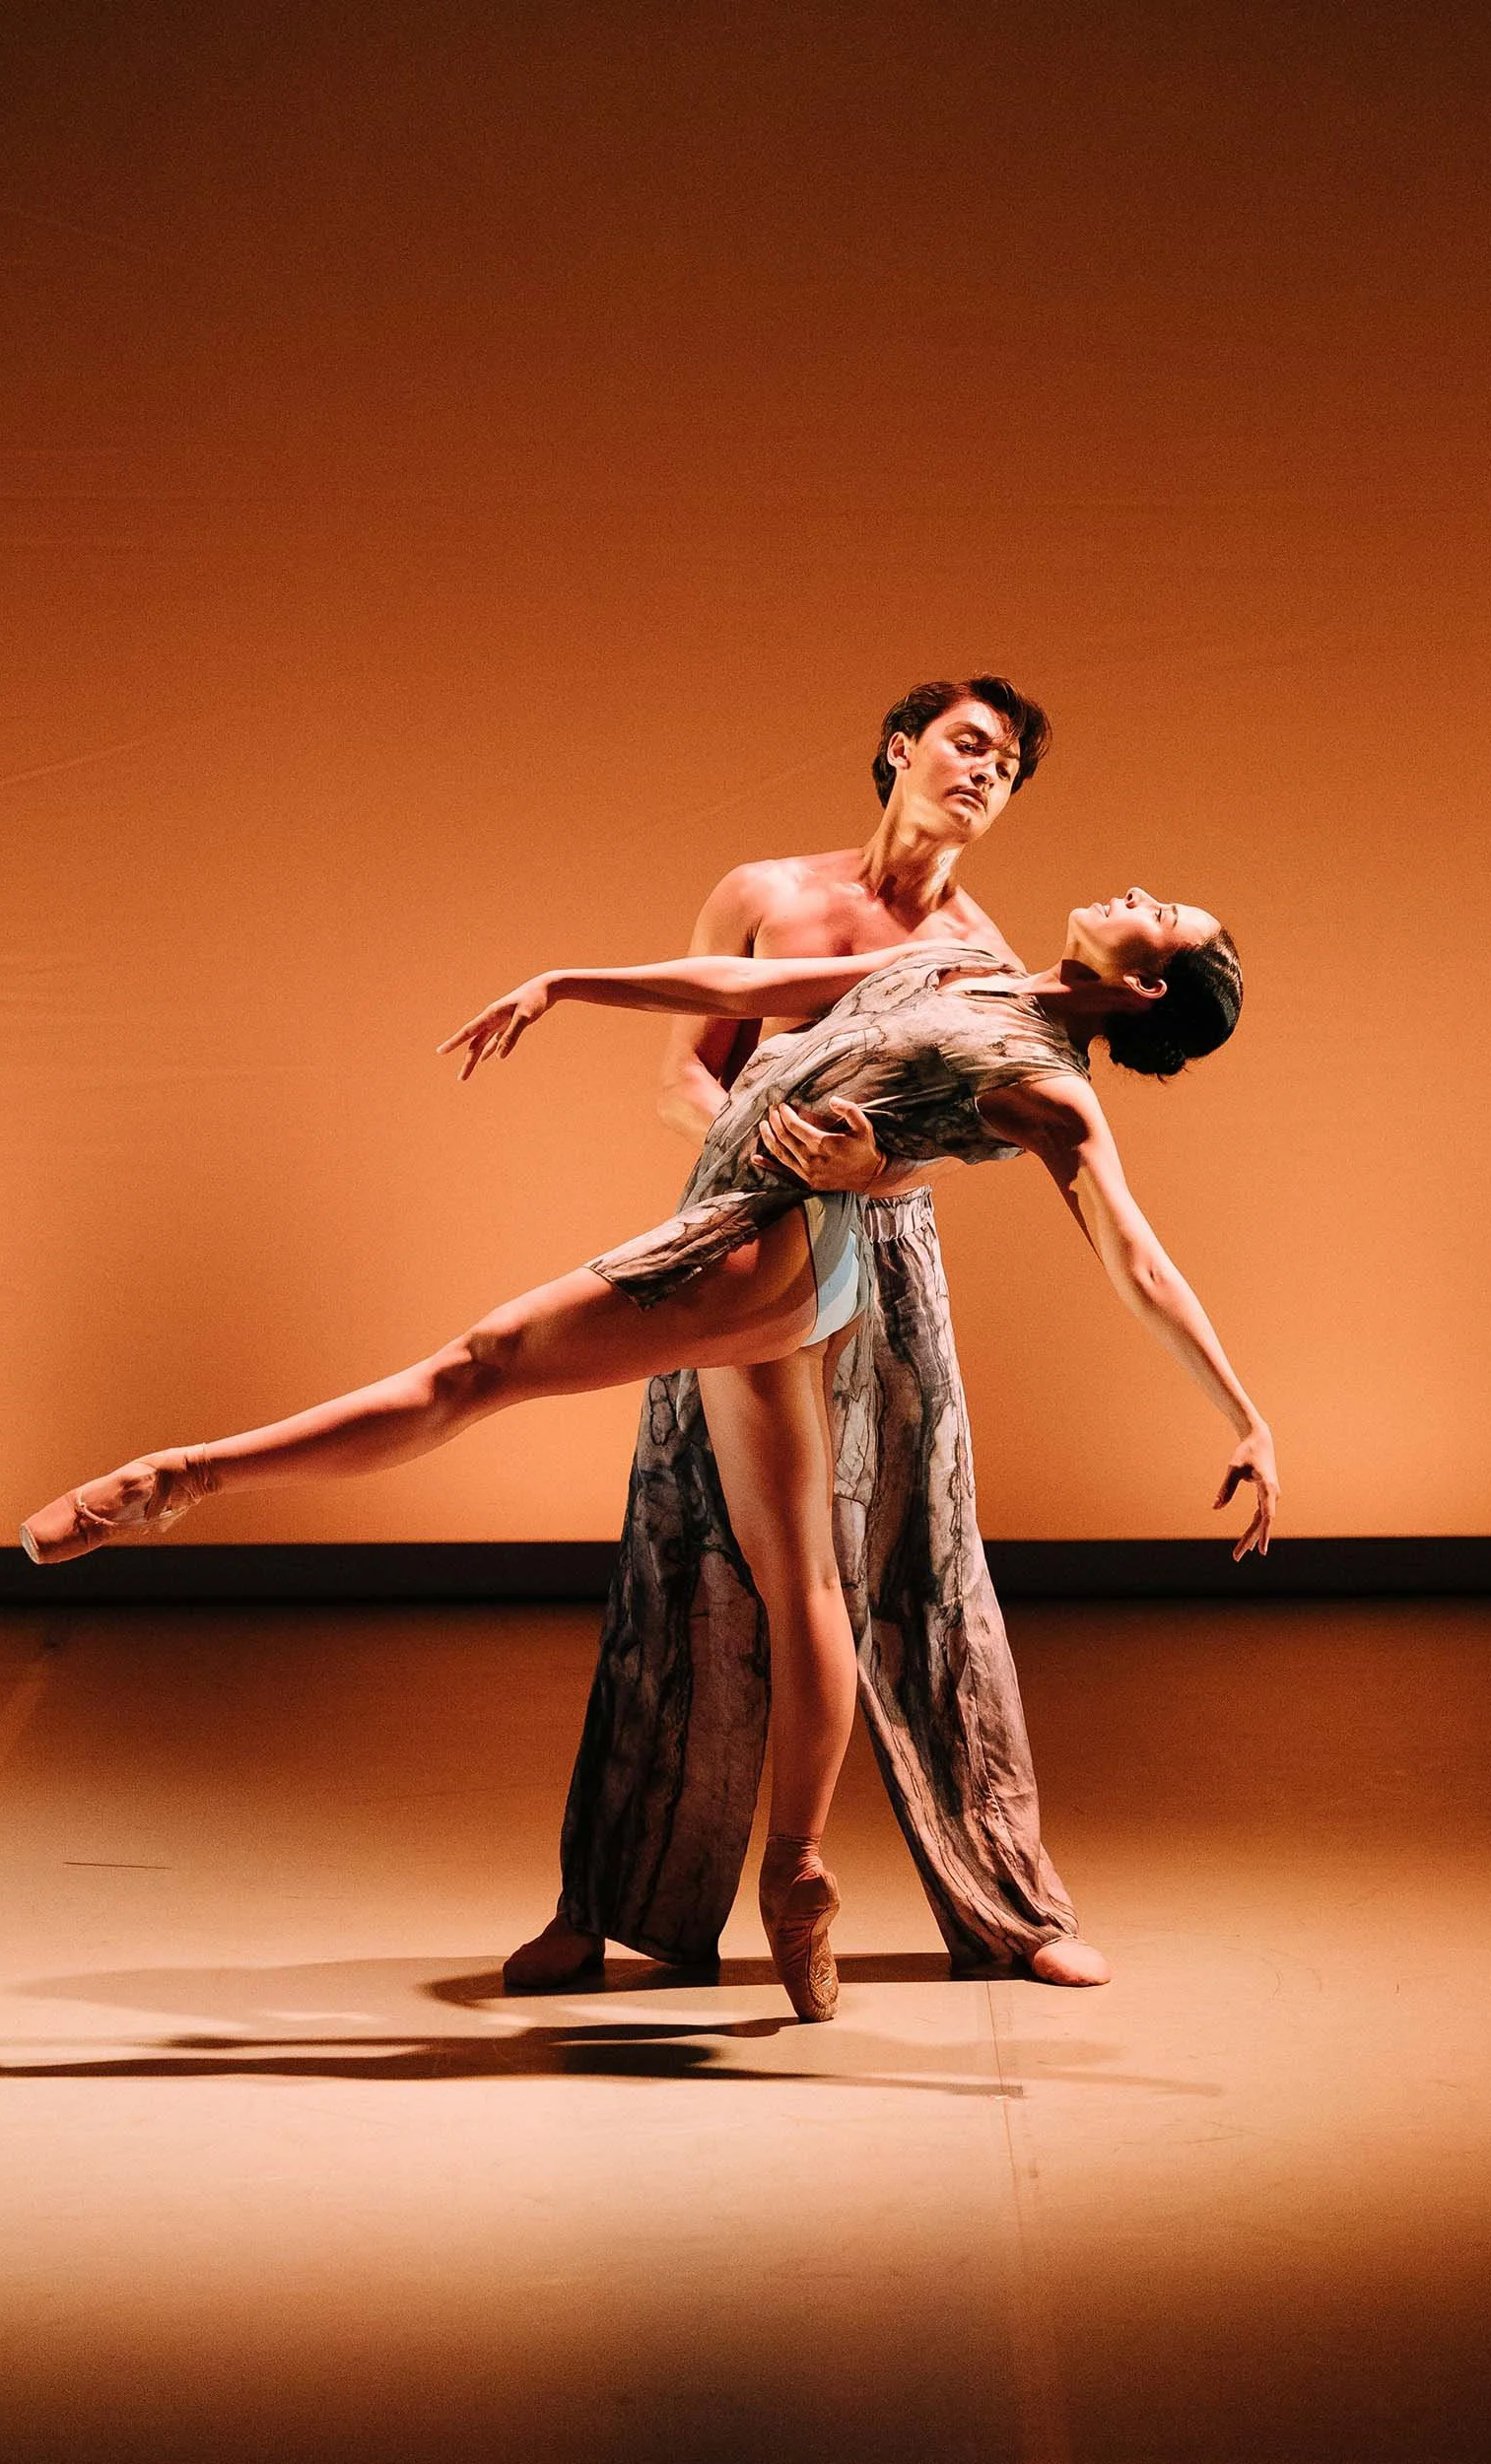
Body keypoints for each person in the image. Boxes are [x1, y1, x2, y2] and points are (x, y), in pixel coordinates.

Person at [22, 894, 1278, 2023]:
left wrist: (1244, 1413)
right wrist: (571, 980)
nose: (1130, 888)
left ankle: (181, 1478)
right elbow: (747, 994)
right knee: (805, 1578)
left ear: (1150, 988)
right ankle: (796, 1869)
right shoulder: (964, 962)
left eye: (1157, 910)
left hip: (776, 1244)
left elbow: (1135, 1257)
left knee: (483, 1362)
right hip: (775, 1248)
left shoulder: (1055, 1089)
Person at [508, 675, 1111, 2000]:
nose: (982, 770)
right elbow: (685, 1068)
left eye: (1005, 764)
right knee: (684, 1552)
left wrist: (864, 1163)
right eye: (965, 741)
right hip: (733, 1229)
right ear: (898, 749)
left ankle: (1004, 1902)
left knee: (920, 1561)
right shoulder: (765, 891)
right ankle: (606, 1904)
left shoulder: (979, 950)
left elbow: (970, 1128)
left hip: (882, 1258)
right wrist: (749, 1145)